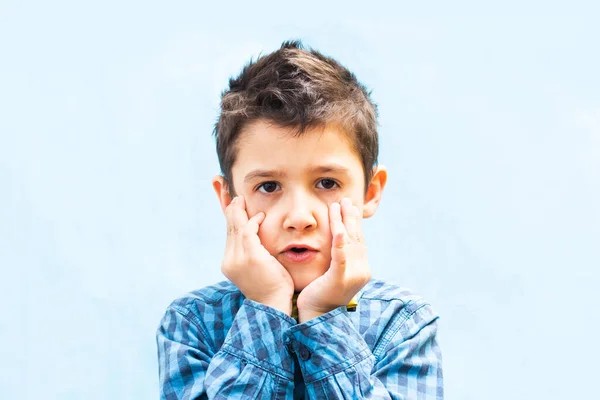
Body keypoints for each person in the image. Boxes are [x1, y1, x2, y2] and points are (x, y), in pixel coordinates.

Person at [156, 40, 443, 399]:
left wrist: (324, 316)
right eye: (269, 185)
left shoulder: (403, 325)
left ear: (370, 192)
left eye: (327, 183)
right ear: (229, 199)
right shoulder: (192, 324)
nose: (298, 217)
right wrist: (266, 306)